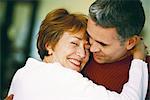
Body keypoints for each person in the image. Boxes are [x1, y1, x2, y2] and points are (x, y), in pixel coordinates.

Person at [6, 8, 148, 100]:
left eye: (87, 47)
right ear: (49, 45)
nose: (82, 54)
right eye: (74, 43)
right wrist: (139, 57)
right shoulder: (65, 78)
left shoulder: (22, 73)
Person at [81, 0, 150, 100]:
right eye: (89, 36)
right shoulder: (79, 53)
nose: (91, 49)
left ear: (130, 42)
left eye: (102, 44)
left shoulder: (145, 73)